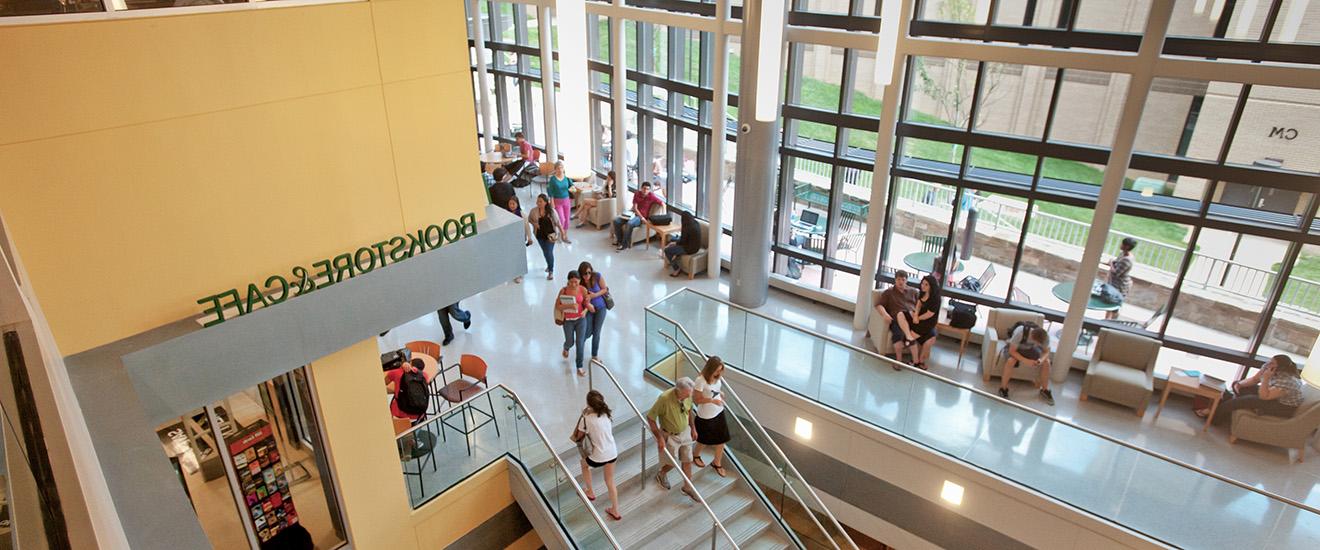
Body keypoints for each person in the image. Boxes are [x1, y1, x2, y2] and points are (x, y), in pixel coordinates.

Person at [1202, 355, 1305, 425]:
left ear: (1280, 367)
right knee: (1238, 385)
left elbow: (1264, 396)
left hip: (1282, 406)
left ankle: (1213, 417)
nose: (1268, 363)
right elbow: (1255, 380)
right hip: (1271, 394)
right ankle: (1229, 405)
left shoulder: (1289, 381)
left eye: (1272, 363)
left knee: (1248, 399)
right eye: (1270, 361)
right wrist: (1239, 385)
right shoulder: (1268, 367)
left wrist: (1266, 378)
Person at [647, 377, 700, 502]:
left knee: (687, 460)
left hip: (685, 432)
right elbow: (650, 418)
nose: (689, 396)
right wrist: (659, 437)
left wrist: (693, 428)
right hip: (670, 435)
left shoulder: (688, 395)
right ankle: (662, 473)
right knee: (672, 462)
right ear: (678, 390)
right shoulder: (664, 399)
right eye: (687, 394)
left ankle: (687, 487)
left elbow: (689, 411)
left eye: (690, 393)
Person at [576, 390, 621, 521]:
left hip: (599, 455)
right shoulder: (606, 414)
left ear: (588, 404)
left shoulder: (586, 419)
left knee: (584, 465)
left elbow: (579, 436)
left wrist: (584, 415)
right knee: (610, 481)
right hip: (612, 452)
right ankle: (615, 510)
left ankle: (590, 491)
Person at [996, 323, 1054, 406]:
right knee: (1011, 361)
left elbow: (1046, 351)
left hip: (1030, 349)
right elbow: (1012, 351)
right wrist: (1025, 360)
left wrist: (1041, 360)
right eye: (1037, 343)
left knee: (1047, 362)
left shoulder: (1045, 337)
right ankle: (1003, 388)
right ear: (1033, 338)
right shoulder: (1020, 332)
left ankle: (1045, 390)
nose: (1039, 345)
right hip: (1015, 348)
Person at [692, 357, 730, 478]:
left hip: (718, 411)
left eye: (720, 370)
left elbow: (715, 389)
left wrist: (720, 393)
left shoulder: (717, 378)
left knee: (722, 439)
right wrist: (712, 400)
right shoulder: (700, 380)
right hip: (706, 415)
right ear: (711, 369)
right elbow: (697, 399)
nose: (719, 373)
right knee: (703, 439)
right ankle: (696, 454)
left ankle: (717, 462)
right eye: (717, 370)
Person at [894, 275, 941, 370]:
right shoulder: (922, 293)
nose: (923, 286)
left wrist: (918, 318)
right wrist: (915, 315)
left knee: (914, 340)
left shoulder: (935, 299)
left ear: (931, 286)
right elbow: (919, 304)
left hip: (927, 322)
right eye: (923, 283)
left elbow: (929, 314)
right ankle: (908, 336)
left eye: (926, 285)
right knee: (900, 314)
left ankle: (917, 361)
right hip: (918, 317)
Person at [873, 270, 918, 369]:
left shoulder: (913, 292)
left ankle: (917, 361)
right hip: (897, 319)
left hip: (911, 319)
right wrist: (885, 314)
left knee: (918, 332)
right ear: (895, 280)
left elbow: (920, 306)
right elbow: (879, 305)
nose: (901, 282)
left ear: (906, 281)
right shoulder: (889, 293)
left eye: (903, 279)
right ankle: (899, 360)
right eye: (898, 279)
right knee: (898, 334)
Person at [556, 270, 595, 376]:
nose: (573, 284)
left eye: (576, 282)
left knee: (580, 343)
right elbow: (557, 306)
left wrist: (585, 311)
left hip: (580, 320)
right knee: (570, 341)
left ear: (579, 281)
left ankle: (579, 366)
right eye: (571, 282)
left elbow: (587, 303)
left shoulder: (583, 290)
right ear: (568, 281)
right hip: (568, 321)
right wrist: (569, 306)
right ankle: (566, 347)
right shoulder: (563, 291)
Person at [613, 182, 662, 251]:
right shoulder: (637, 194)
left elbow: (662, 203)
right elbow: (635, 208)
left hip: (639, 217)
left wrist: (642, 218)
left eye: (647, 189)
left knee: (629, 224)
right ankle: (619, 241)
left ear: (650, 190)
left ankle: (624, 245)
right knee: (616, 221)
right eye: (644, 189)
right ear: (641, 188)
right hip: (633, 213)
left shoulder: (651, 196)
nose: (645, 191)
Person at [578, 262, 609, 364]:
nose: (587, 276)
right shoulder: (580, 284)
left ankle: (594, 355)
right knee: (587, 331)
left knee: (597, 332)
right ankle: (579, 348)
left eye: (589, 272)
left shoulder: (597, 276)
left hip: (601, 308)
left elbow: (605, 289)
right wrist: (587, 305)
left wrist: (594, 295)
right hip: (589, 310)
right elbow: (580, 300)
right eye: (584, 274)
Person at [527, 194, 561, 280]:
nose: (538, 203)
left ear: (545, 202)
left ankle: (551, 271)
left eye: (540, 201)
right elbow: (529, 219)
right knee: (545, 252)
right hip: (539, 235)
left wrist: (563, 233)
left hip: (551, 235)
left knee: (549, 252)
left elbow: (557, 222)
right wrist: (534, 224)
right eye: (537, 201)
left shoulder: (551, 211)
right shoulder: (533, 211)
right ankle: (549, 265)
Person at [383, 358, 426, 422]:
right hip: (419, 416)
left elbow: (383, 383)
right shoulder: (424, 376)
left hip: (399, 418)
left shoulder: (395, 372)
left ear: (410, 364)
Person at [1105, 237, 1137, 319]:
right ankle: (1106, 321)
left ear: (1126, 246)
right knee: (1109, 305)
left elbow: (1116, 273)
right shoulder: (1122, 254)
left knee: (1113, 306)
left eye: (1122, 243)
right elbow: (1116, 263)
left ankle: (1111, 323)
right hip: (1114, 283)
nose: (1121, 245)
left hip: (1120, 285)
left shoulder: (1127, 260)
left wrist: (1111, 263)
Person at [664, 210, 702, 277]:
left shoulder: (687, 228)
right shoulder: (696, 223)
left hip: (689, 249)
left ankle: (676, 269)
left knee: (667, 250)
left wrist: (674, 243)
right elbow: (685, 239)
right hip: (695, 246)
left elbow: (682, 241)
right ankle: (675, 254)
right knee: (672, 240)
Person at [547, 161, 574, 243]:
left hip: (566, 200)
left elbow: (571, 185)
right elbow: (550, 190)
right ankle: (560, 234)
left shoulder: (567, 177)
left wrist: (573, 188)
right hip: (557, 201)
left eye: (561, 167)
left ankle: (564, 235)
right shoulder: (553, 179)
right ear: (555, 169)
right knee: (561, 219)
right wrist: (552, 201)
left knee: (567, 219)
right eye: (558, 168)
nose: (560, 169)